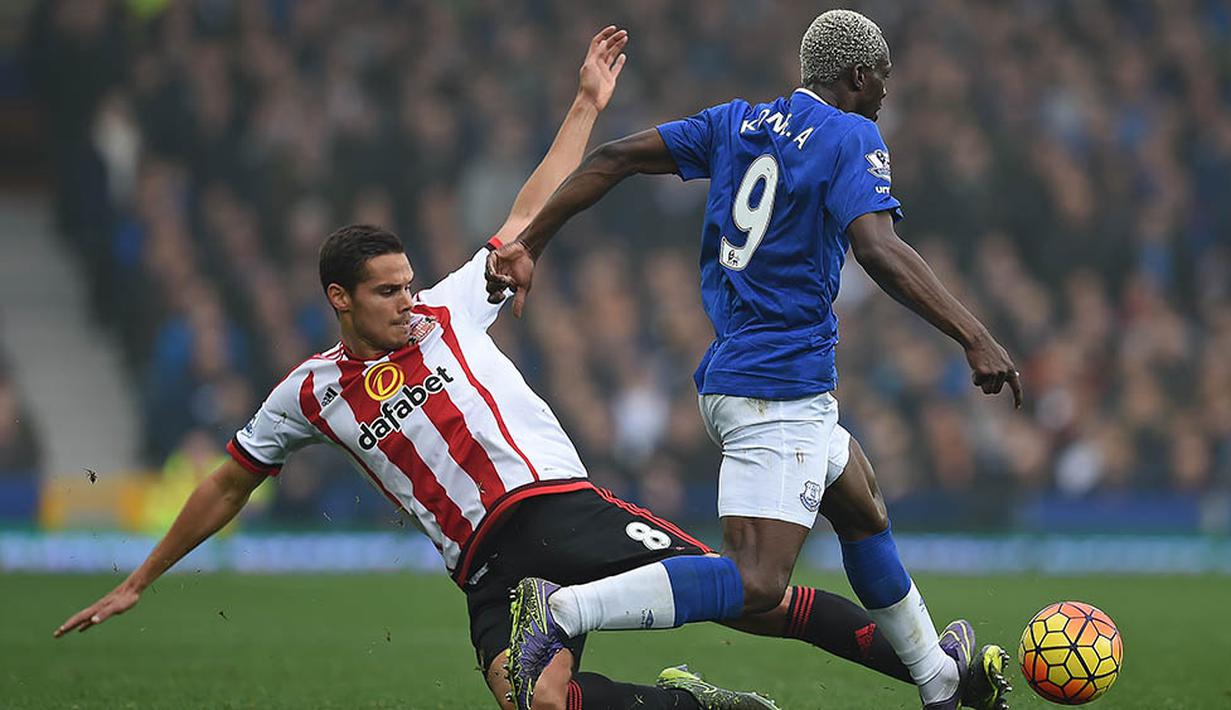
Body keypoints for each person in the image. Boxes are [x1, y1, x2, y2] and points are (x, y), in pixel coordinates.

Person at [54, 26, 921, 710]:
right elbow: (228, 482)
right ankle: (694, 704)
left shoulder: (451, 307)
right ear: (340, 299)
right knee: (541, 702)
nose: (406, 300)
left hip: (561, 506)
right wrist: (140, 579)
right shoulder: (310, 392)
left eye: (406, 284)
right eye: (386, 292)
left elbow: (528, 208)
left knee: (754, 596)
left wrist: (584, 105)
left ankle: (935, 667)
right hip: (486, 566)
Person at [485, 10, 1018, 710]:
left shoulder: (735, 122)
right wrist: (972, 333)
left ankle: (938, 679)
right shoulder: (851, 134)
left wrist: (533, 242)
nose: (885, 93)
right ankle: (561, 613)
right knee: (758, 580)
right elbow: (877, 248)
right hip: (778, 386)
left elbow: (611, 158)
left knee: (859, 504)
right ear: (857, 76)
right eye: (881, 79)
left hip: (746, 375)